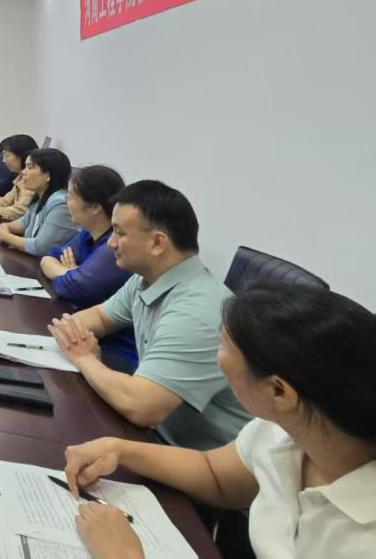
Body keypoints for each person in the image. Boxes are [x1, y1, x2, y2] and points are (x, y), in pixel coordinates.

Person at [64, 282, 376, 559]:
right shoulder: (282, 430)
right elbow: (214, 474)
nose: (216, 356)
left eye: (223, 346)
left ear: (279, 391)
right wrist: (120, 450)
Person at [47, 180, 250, 449]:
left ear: (157, 243)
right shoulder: (147, 279)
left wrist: (85, 358)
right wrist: (76, 337)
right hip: (159, 437)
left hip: (199, 458)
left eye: (119, 233)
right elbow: (98, 318)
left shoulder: (198, 310)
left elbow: (141, 406)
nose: (111, 243)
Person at [39, 165, 136, 372]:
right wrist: (72, 273)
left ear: (94, 207)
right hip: (90, 335)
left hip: (116, 351)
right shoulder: (87, 234)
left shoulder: (112, 248)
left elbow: (70, 288)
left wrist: (74, 277)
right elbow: (48, 257)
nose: (66, 200)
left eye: (71, 196)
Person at [0, 147, 76, 256]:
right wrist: (4, 227)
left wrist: (5, 236)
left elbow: (40, 247)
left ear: (48, 175)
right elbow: (24, 222)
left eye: (30, 167)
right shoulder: (40, 196)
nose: (23, 172)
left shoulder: (60, 204)